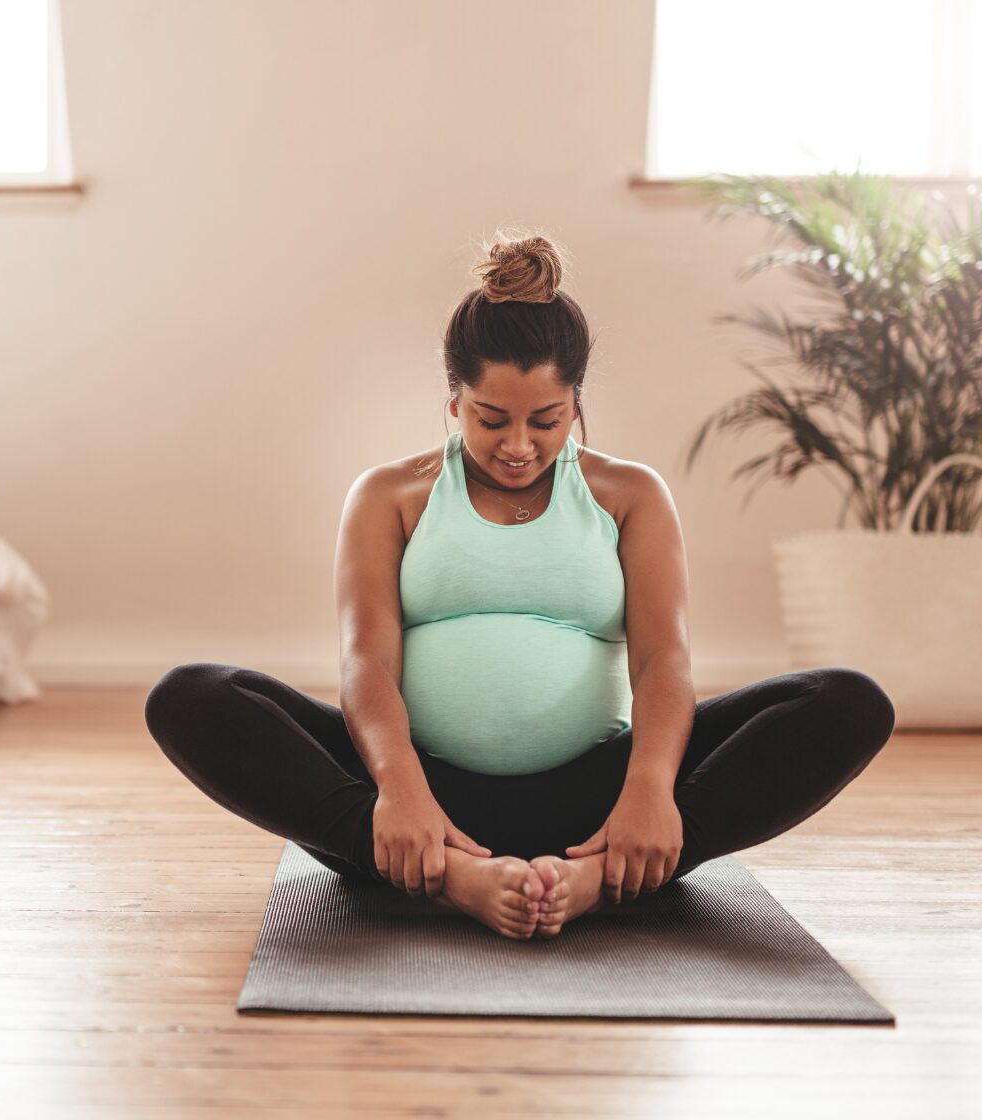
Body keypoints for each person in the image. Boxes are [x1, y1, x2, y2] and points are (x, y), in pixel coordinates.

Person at [143, 229, 896, 942]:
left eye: (547, 420)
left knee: (846, 703)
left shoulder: (630, 495)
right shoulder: (388, 496)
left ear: (577, 403)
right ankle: (450, 874)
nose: (518, 445)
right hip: (417, 795)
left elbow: (663, 661)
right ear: (453, 400)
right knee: (193, 695)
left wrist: (649, 789)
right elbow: (366, 663)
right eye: (491, 418)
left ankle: (604, 874)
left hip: (593, 798)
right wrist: (401, 789)